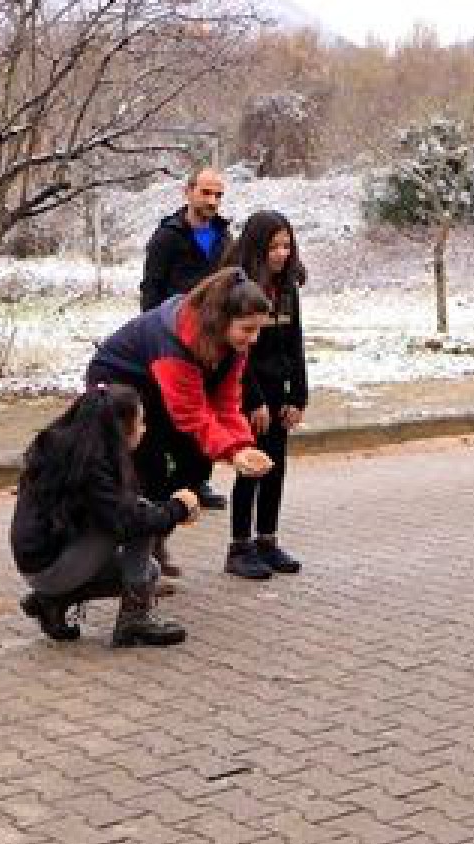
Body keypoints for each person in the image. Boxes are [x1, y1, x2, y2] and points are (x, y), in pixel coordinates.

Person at [87, 268, 276, 575]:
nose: (254, 339)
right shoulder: (174, 343)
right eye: (247, 329)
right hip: (122, 385)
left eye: (258, 330)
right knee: (146, 471)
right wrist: (231, 451)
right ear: (221, 320)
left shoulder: (231, 344)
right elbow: (191, 415)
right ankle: (136, 568)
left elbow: (226, 403)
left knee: (193, 464)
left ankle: (153, 543)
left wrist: (240, 446)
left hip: (160, 390)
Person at [11, 384, 200, 647]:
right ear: (120, 428)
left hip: (44, 561)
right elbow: (130, 520)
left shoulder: (71, 450)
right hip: (50, 566)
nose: (144, 429)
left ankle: (52, 602)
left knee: (150, 570)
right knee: (141, 515)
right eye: (141, 422)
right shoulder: (90, 468)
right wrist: (178, 508)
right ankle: (134, 621)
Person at [139, 167, 232, 511]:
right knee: (168, 412)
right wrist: (152, 334)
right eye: (206, 193)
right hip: (172, 336)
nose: (212, 201)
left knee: (205, 408)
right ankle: (167, 481)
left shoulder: (224, 238)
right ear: (188, 192)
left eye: (218, 195)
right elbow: (150, 288)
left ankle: (197, 479)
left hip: (211, 338)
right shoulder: (167, 237)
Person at [223, 211, 309, 580]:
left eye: (286, 246)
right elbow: (240, 352)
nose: (281, 254)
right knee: (252, 466)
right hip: (249, 392)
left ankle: (267, 539)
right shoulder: (240, 288)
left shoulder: (287, 289)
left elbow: (295, 344)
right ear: (257, 248)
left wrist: (298, 396)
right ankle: (239, 546)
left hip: (280, 392)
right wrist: (252, 400)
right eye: (273, 246)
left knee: (276, 466)